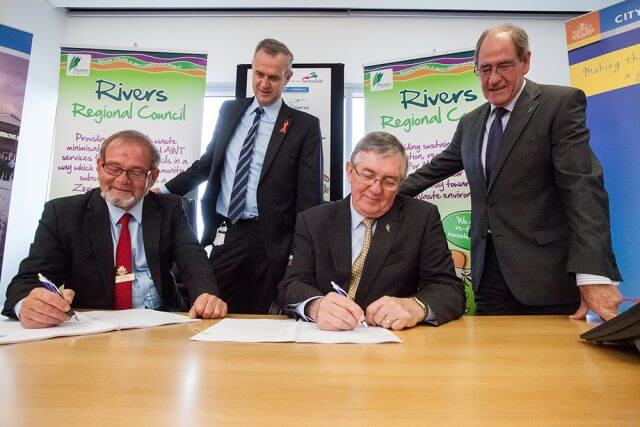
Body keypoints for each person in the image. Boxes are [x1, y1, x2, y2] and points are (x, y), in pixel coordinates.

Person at [399, 24, 622, 319]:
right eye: (484, 69)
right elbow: (433, 170)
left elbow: (583, 190)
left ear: (525, 61)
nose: (493, 79)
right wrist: (378, 192)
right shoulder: (471, 123)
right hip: (487, 275)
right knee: (492, 361)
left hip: (546, 277)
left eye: (504, 66)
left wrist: (593, 274)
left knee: (554, 363)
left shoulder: (559, 105)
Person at [159, 39, 322, 314]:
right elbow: (206, 165)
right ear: (252, 70)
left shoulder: (304, 126)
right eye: (259, 74)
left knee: (261, 315)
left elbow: (309, 197)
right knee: (213, 307)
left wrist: (300, 252)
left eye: (273, 77)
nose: (264, 84)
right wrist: (163, 190)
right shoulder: (229, 111)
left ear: (288, 77)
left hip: (270, 239)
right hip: (227, 229)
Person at [3, 130, 227, 328]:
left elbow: (193, 258)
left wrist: (205, 295)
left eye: (136, 172)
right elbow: (29, 279)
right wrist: (27, 305)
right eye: (113, 168)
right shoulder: (63, 213)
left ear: (153, 177)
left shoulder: (170, 208)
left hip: (163, 324)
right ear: (99, 166)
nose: (122, 180)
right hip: (93, 329)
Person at [278, 131, 465, 331]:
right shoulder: (313, 220)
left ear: (400, 183)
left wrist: (415, 307)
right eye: (368, 175)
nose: (376, 189)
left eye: (389, 181)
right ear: (350, 171)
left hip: (393, 344)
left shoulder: (422, 218)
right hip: (324, 341)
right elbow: (292, 284)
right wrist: (316, 306)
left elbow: (449, 289)